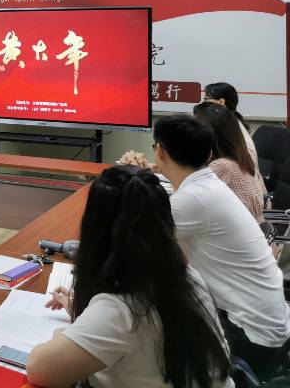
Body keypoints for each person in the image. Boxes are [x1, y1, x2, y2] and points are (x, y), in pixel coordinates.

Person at [28, 165, 232, 388]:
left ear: (95, 233)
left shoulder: (120, 310)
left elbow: (39, 370)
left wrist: (65, 333)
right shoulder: (189, 278)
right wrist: (84, 313)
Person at [153, 114, 290, 375]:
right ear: (209, 155)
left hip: (252, 340)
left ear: (159, 151)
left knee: (148, 325)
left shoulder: (193, 199)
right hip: (271, 328)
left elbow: (137, 247)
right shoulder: (208, 185)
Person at [193, 101, 266, 223]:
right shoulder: (239, 157)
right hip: (251, 227)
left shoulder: (222, 166)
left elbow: (190, 201)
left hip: (241, 230)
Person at [204, 81, 257, 166]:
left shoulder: (226, 125)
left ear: (221, 102)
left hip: (239, 171)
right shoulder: (231, 120)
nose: (203, 104)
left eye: (206, 99)